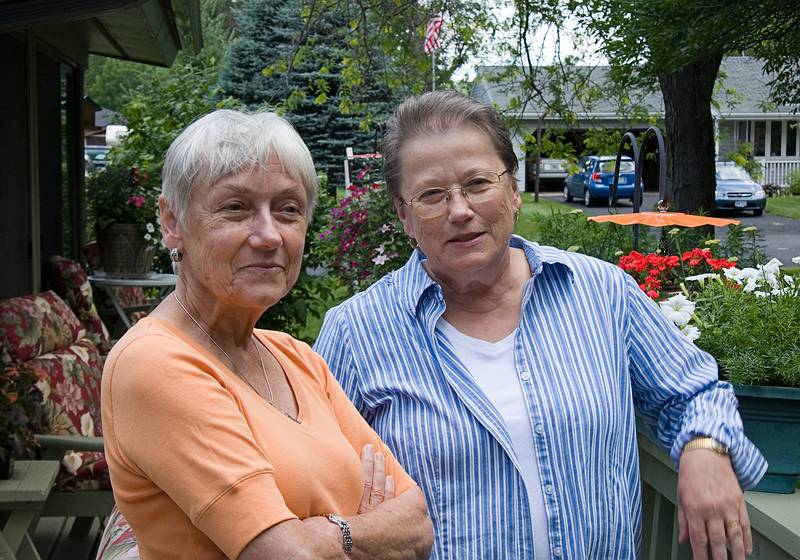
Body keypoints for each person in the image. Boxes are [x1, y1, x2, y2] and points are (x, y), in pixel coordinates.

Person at [314, 91, 767, 560]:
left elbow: (693, 392)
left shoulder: (600, 293)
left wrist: (705, 449)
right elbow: (312, 477)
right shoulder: (355, 333)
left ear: (512, 190)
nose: (460, 210)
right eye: (432, 194)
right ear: (404, 215)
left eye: (477, 183)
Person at [101, 110, 433, 560]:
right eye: (235, 207)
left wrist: (327, 535)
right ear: (172, 222)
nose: (269, 235)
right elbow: (286, 555)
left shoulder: (295, 357)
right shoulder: (154, 363)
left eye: (288, 209)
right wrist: (361, 527)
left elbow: (416, 522)